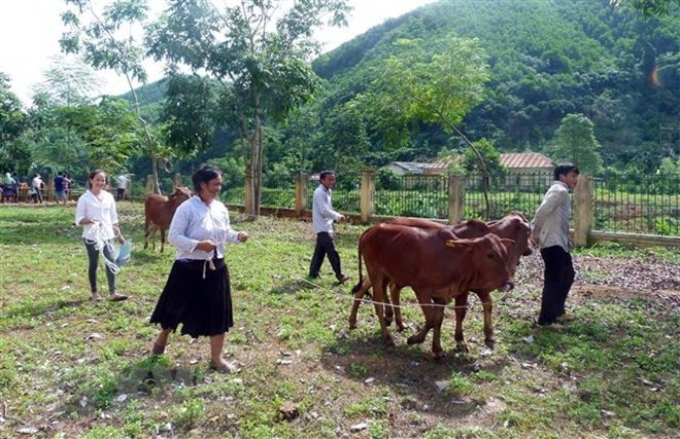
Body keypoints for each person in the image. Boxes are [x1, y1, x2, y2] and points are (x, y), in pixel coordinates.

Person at [149, 166, 249, 373]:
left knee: (218, 312)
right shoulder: (186, 209)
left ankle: (216, 359)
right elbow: (174, 237)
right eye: (215, 184)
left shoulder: (221, 208)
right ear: (202, 185)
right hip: (188, 268)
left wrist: (237, 236)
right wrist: (197, 245)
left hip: (216, 267)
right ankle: (161, 340)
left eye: (220, 184)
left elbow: (225, 232)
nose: (219, 188)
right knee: (175, 309)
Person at [531, 163, 580, 328]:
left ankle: (558, 312)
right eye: (573, 176)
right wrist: (535, 232)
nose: (576, 180)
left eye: (576, 176)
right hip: (553, 244)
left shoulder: (560, 191)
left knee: (567, 275)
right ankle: (546, 320)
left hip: (559, 243)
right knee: (553, 280)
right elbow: (542, 211)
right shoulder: (560, 191)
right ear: (562, 176)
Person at [75, 170, 128, 302]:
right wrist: (90, 221)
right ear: (91, 180)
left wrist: (119, 235)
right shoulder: (84, 199)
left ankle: (113, 292)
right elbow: (79, 220)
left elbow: (113, 218)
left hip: (107, 235)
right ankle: (94, 292)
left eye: (103, 180)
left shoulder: (109, 197)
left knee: (111, 261)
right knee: (94, 264)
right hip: (91, 236)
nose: (100, 182)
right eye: (98, 180)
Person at [308, 170, 350, 284]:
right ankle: (340, 275)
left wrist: (334, 218)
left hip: (326, 225)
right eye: (329, 179)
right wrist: (337, 216)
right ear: (322, 180)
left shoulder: (328, 191)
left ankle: (313, 272)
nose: (332, 181)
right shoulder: (319, 193)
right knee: (332, 251)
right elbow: (324, 210)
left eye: (333, 179)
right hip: (322, 226)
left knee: (320, 251)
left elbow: (327, 209)